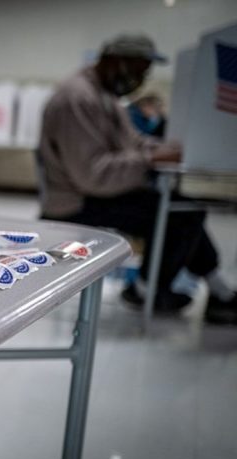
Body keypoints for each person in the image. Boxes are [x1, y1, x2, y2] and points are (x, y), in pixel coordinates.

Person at [38, 33, 236, 324]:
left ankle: (219, 291)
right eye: (137, 70)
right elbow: (92, 175)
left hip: (96, 192)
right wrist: (151, 160)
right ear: (114, 61)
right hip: (75, 201)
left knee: (184, 207)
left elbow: (132, 143)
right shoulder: (78, 98)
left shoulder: (104, 95)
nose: (140, 79)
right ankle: (145, 290)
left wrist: (164, 150)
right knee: (178, 214)